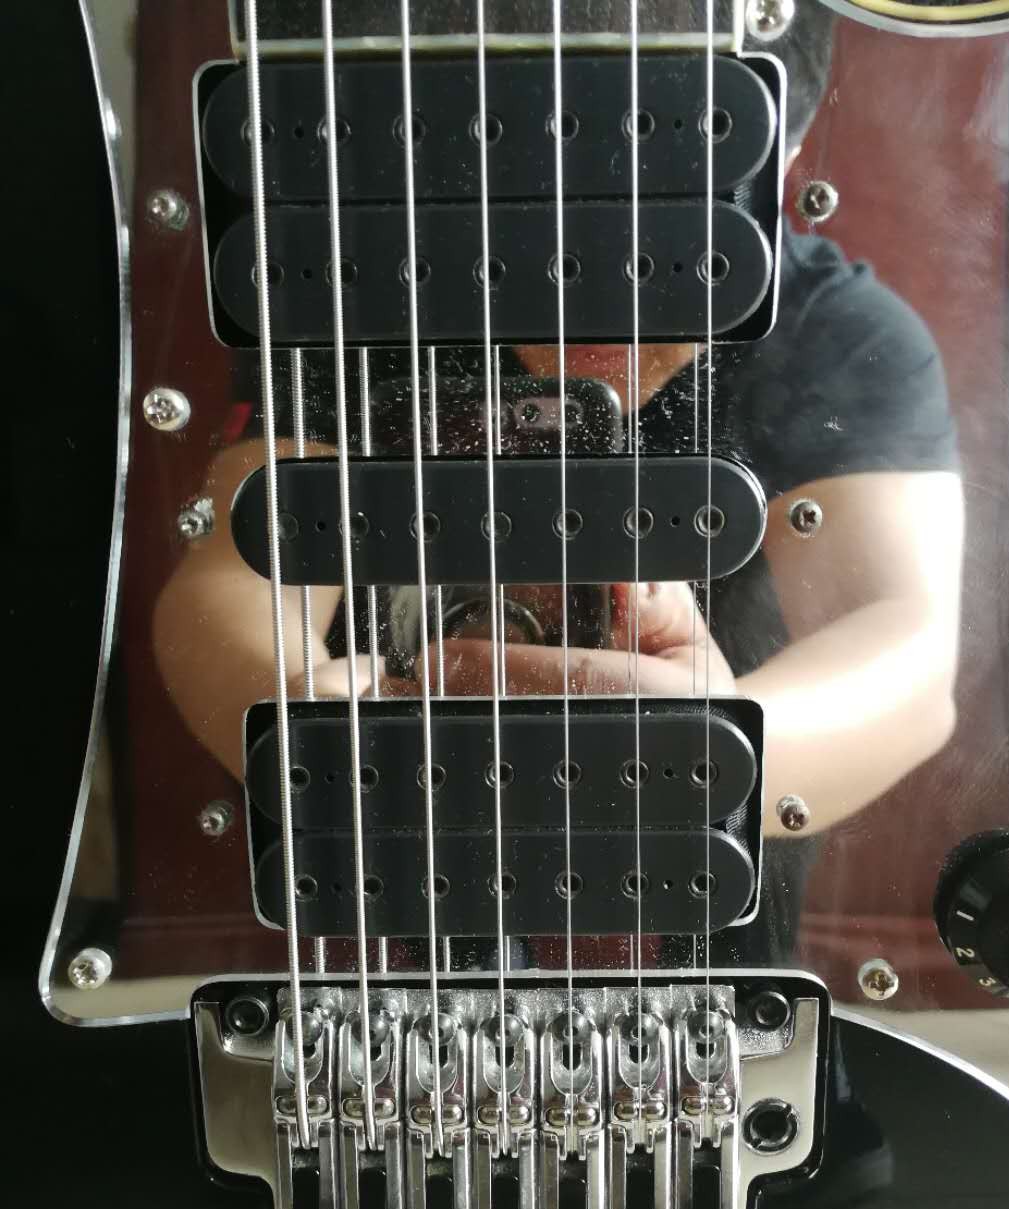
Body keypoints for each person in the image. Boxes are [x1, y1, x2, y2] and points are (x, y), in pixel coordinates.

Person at [154, 2, 964, 961]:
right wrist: (313, 731)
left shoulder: (836, 329)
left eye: (666, 219)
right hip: (390, 947)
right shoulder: (352, 301)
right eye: (535, 205)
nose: (590, 288)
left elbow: (908, 654)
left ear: (782, 154)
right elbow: (236, 574)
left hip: (718, 969)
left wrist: (694, 753)